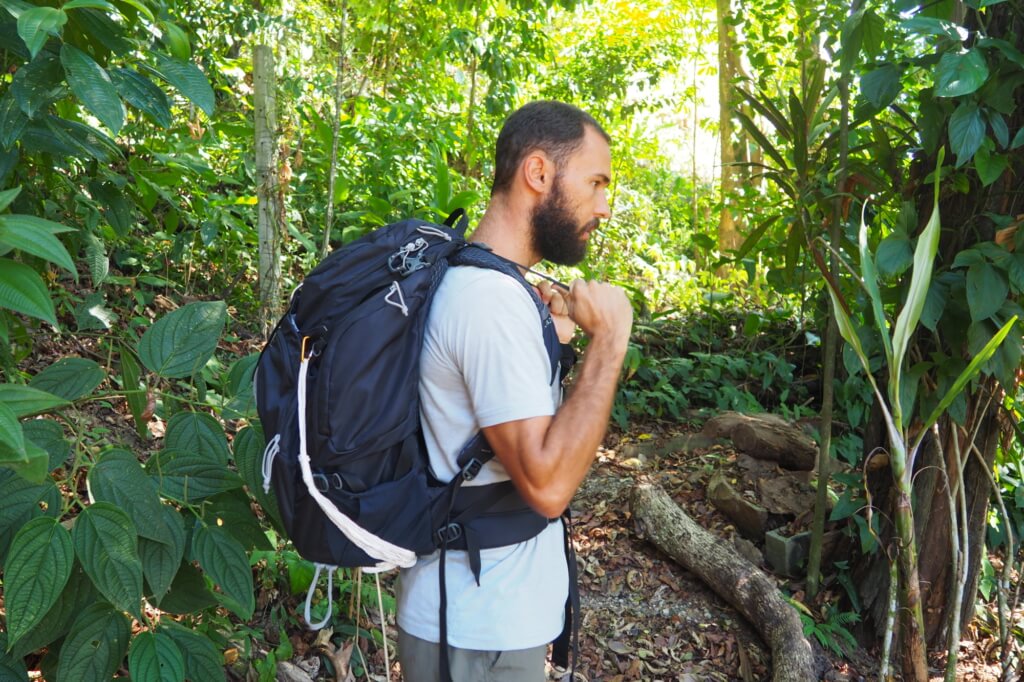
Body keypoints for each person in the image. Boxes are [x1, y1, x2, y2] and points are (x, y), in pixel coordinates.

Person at [396, 100, 634, 681]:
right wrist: (610, 344)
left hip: (482, 618)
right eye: (596, 182)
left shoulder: (490, 285)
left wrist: (556, 342)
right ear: (538, 173)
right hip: (477, 629)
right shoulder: (490, 304)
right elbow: (547, 485)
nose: (605, 206)